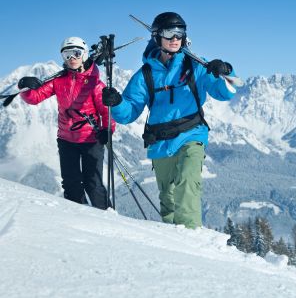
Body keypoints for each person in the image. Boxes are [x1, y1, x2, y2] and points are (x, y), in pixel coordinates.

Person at [102, 12, 237, 229]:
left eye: (180, 33)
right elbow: (128, 113)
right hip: (160, 141)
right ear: (157, 37)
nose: (175, 38)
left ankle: (191, 237)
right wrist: (116, 102)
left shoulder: (195, 66)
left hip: (192, 133)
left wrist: (224, 71)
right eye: (169, 33)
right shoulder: (145, 75)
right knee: (168, 198)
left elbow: (224, 93)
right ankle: (174, 244)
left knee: (187, 181)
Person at [18, 36, 114, 209]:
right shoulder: (59, 80)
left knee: (93, 183)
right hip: (66, 140)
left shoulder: (94, 84)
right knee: (71, 185)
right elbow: (35, 97)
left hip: (91, 140)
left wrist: (108, 130)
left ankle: (108, 218)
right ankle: (78, 220)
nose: (72, 58)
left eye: (76, 53)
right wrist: (25, 88)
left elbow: (106, 110)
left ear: (84, 55)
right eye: (67, 55)